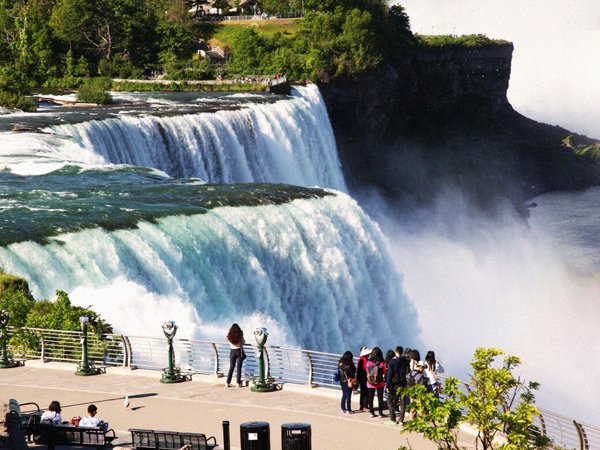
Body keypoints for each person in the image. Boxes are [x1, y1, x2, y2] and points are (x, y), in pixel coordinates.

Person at [385, 346, 410, 425]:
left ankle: (393, 418)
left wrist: (387, 386)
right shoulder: (405, 361)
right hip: (403, 384)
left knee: (389, 400)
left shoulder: (392, 362)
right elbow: (408, 371)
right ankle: (401, 420)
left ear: (396, 352)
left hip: (394, 384)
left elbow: (389, 375)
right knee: (403, 402)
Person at [366, 347, 386, 418]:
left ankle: (372, 412)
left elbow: (367, 371)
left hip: (370, 383)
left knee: (370, 398)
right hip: (380, 383)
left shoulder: (368, 363)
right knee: (380, 398)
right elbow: (384, 372)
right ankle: (380, 413)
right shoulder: (382, 363)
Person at [226, 323, 245, 387]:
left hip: (232, 351)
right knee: (238, 368)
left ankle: (227, 383)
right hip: (239, 351)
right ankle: (238, 383)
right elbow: (243, 342)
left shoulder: (229, 335)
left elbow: (228, 341)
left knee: (231, 367)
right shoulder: (240, 334)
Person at [356, 346, 370, 411]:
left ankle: (361, 406)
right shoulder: (365, 360)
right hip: (365, 379)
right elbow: (366, 369)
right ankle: (365, 406)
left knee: (362, 392)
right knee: (366, 393)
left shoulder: (360, 359)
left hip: (361, 379)